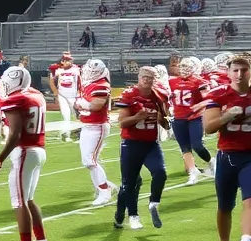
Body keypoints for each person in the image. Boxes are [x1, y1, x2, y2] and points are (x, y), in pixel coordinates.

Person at [0, 66, 51, 241]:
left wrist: (0, 158)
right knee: (29, 199)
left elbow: (15, 134)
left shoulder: (14, 100)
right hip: (39, 150)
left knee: (19, 202)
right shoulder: (36, 96)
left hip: (25, 150)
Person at [203, 54, 251, 241]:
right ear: (228, 72)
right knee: (224, 206)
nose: (239, 74)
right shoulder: (219, 94)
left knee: (250, 201)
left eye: (244, 70)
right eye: (235, 70)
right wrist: (227, 116)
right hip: (227, 156)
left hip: (250, 156)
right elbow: (209, 127)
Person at [113, 67, 170, 230]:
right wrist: (137, 117)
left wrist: (163, 119)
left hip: (151, 143)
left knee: (160, 172)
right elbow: (122, 123)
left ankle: (153, 203)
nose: (147, 80)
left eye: (150, 77)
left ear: (155, 79)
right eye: (144, 76)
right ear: (139, 77)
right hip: (131, 143)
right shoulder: (129, 94)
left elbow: (167, 121)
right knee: (129, 184)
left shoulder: (160, 95)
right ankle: (128, 215)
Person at [74, 59, 116, 206]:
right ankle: (105, 186)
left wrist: (80, 104)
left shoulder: (102, 85)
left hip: (97, 126)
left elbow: (96, 106)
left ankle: (104, 190)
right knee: (89, 160)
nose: (87, 73)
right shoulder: (89, 84)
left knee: (89, 160)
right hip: (88, 125)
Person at [169, 57, 215, 186]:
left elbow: (210, 99)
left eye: (187, 66)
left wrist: (199, 106)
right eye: (182, 66)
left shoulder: (199, 82)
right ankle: (193, 173)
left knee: (197, 145)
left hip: (195, 117)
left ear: (194, 67)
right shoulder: (172, 81)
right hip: (178, 118)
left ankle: (211, 162)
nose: (184, 69)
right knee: (185, 148)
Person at [48, 52, 81, 143]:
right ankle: (65, 134)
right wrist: (55, 91)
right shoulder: (57, 70)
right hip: (62, 95)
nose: (66, 62)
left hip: (74, 95)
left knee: (76, 115)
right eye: (64, 60)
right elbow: (51, 80)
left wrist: (80, 93)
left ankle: (76, 134)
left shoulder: (77, 69)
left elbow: (80, 81)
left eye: (68, 60)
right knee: (66, 115)